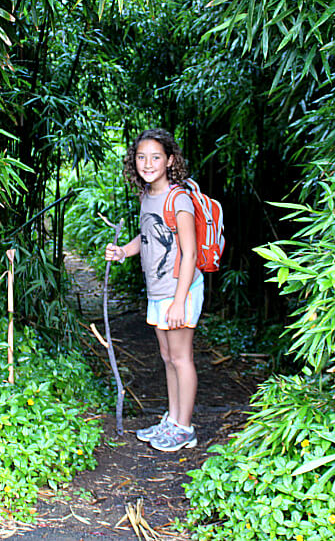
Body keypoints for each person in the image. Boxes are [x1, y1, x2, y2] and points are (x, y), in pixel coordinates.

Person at [104, 128, 202, 452]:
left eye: (155, 157)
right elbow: (145, 236)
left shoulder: (180, 198)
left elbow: (190, 253)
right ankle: (173, 420)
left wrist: (178, 302)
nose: (147, 163)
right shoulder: (148, 195)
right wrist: (122, 252)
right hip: (159, 292)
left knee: (181, 357)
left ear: (170, 160)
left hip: (179, 291)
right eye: (141, 156)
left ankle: (184, 427)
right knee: (167, 356)